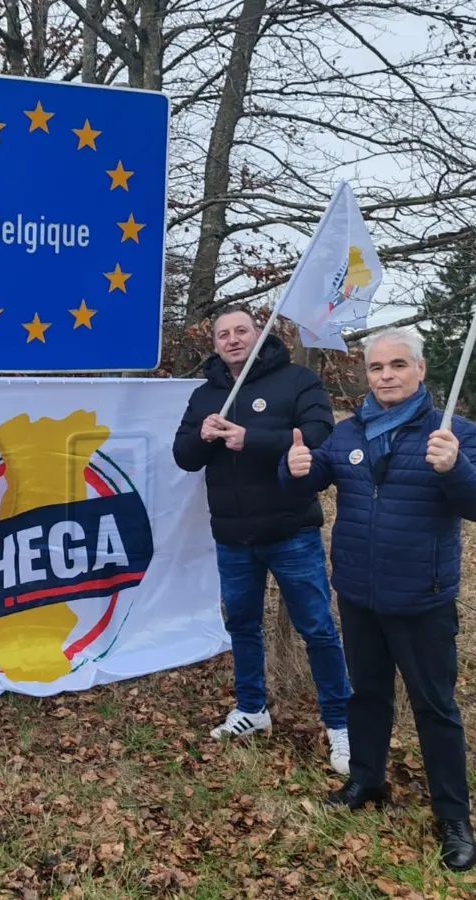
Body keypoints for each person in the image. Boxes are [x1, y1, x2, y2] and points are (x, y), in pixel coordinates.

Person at [281, 326, 476, 872]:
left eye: (398, 365)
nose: (386, 376)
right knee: (368, 695)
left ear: (421, 370)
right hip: (358, 592)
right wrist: (294, 470)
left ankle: (453, 815)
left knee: (435, 708)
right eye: (377, 368)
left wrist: (456, 468)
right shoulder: (349, 431)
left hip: (422, 599)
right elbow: (313, 479)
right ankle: (366, 779)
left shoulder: (453, 434)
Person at [173, 306, 352, 774]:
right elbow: (184, 456)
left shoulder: (296, 380)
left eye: (241, 331)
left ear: (259, 335)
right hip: (233, 536)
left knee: (318, 628)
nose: (232, 340)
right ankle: (251, 709)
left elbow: (319, 435)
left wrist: (249, 438)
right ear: (213, 344)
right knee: (243, 626)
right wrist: (205, 434)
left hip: (291, 530)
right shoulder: (205, 393)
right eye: (223, 334)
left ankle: (341, 722)